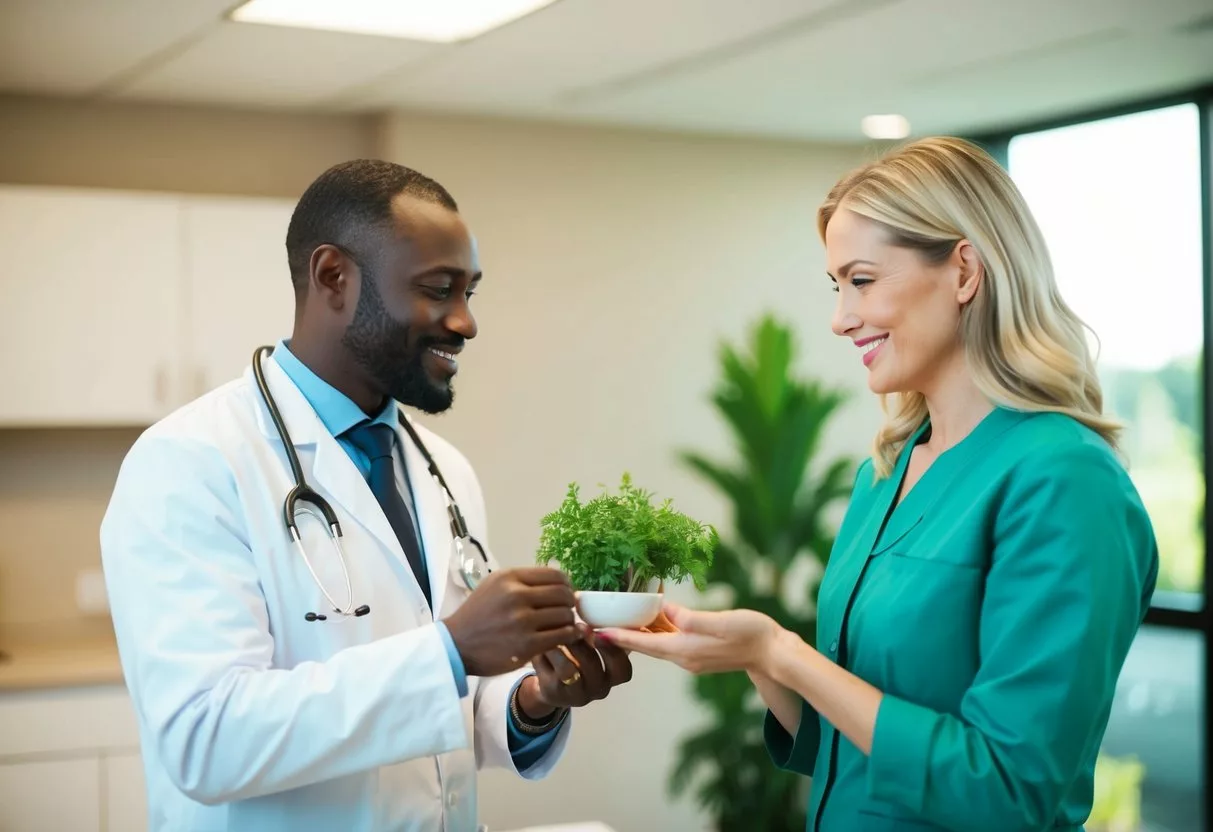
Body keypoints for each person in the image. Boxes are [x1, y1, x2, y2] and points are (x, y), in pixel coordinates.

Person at [600, 137, 1159, 831]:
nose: (839, 318)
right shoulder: (883, 474)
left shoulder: (1064, 480)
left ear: (962, 271)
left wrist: (784, 652)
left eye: (861, 281)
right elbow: (843, 743)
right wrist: (756, 657)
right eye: (835, 287)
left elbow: (1010, 792)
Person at [99, 159, 633, 832]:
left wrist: (532, 700)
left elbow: (443, 713)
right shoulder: (189, 464)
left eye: (470, 292)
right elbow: (205, 740)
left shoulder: (443, 470)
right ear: (333, 278)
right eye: (439, 290)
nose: (465, 322)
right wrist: (449, 651)